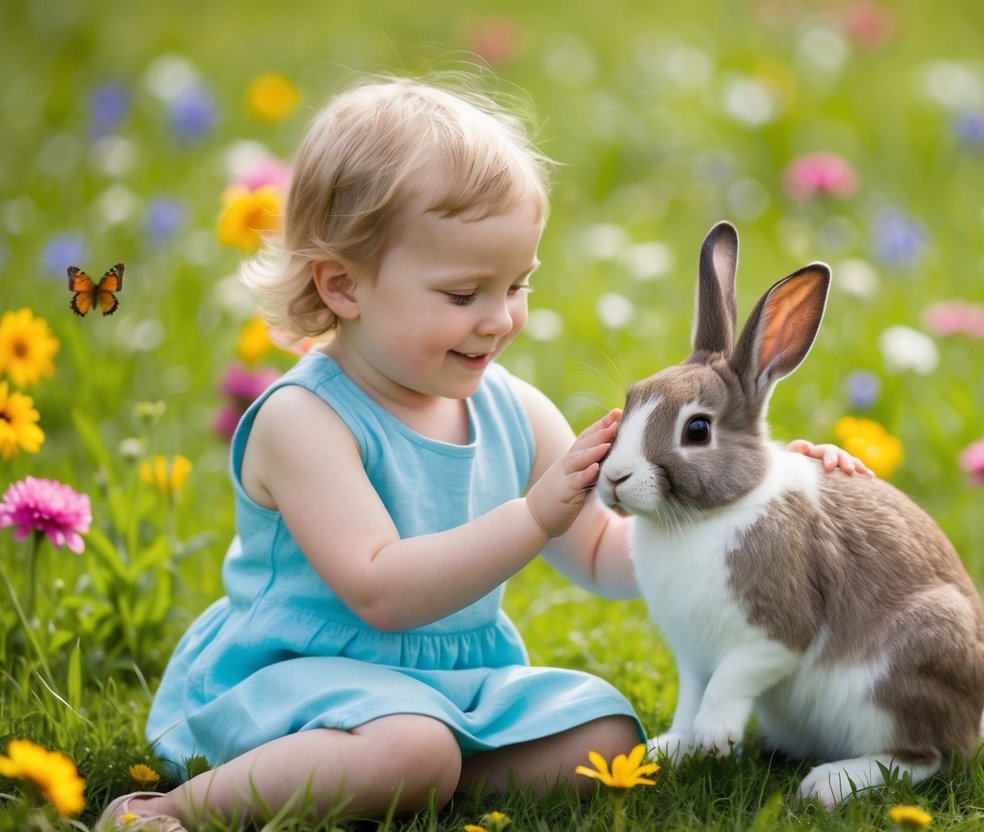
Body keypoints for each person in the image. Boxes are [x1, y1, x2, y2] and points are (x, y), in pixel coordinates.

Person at [100, 74, 870, 830]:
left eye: (517, 286)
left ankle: (416, 779)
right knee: (410, 744)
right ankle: (167, 812)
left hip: (455, 682)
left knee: (607, 733)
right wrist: (532, 517)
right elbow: (379, 592)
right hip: (298, 684)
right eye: (463, 294)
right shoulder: (304, 420)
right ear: (343, 287)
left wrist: (753, 505)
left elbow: (605, 555)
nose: (499, 319)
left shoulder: (513, 409)